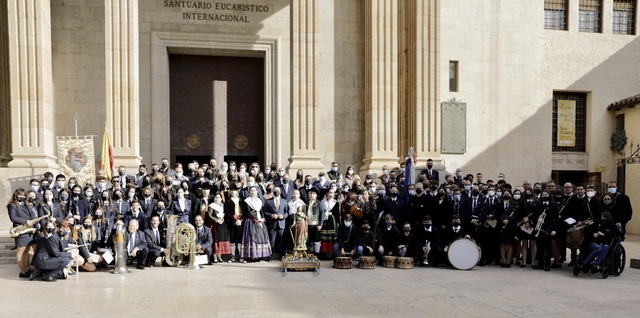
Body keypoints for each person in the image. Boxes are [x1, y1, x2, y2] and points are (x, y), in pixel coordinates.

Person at [7, 188, 38, 278]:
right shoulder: (12, 205)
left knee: (27, 251)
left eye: (23, 195)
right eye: (19, 195)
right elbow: (13, 218)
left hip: (29, 230)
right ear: (15, 196)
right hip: (21, 230)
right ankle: (22, 271)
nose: (21, 197)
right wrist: (26, 221)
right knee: (21, 251)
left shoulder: (26, 204)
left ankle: (28, 268)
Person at [240, 186, 271, 262]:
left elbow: (261, 211)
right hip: (251, 221)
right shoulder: (247, 201)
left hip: (260, 220)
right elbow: (248, 211)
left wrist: (263, 219)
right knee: (252, 236)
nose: (253, 192)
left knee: (262, 236)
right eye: (251, 190)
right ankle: (253, 255)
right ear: (249, 192)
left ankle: (261, 255)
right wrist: (257, 219)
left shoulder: (259, 201)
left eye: (254, 190)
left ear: (257, 192)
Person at [263, 188, 289, 256]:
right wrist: (271, 215)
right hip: (272, 224)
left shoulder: (284, 201)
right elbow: (265, 212)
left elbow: (287, 212)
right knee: (272, 240)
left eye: (277, 191)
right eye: (274, 191)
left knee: (281, 240)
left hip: (281, 223)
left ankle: (281, 255)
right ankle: (270, 255)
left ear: (280, 192)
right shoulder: (268, 201)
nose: (276, 192)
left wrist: (283, 216)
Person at [208, 193, 231, 263]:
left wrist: (223, 219)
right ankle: (215, 256)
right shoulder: (212, 206)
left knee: (221, 239)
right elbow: (209, 215)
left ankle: (219, 256)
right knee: (215, 240)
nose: (217, 199)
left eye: (218, 198)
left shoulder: (222, 206)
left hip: (222, 224)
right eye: (216, 197)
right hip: (214, 224)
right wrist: (216, 220)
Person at [225, 186, 244, 263]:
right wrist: (234, 220)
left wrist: (240, 220)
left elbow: (244, 212)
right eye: (231, 190)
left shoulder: (241, 201)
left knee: (239, 239)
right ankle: (232, 256)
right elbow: (227, 212)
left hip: (240, 221)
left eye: (235, 190)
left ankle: (241, 256)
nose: (233, 192)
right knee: (232, 239)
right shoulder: (228, 201)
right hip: (232, 222)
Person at [319, 189, 339, 258]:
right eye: (330, 193)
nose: (331, 194)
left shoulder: (336, 203)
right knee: (324, 237)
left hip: (332, 222)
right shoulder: (322, 202)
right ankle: (324, 253)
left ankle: (331, 253)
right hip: (324, 222)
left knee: (331, 237)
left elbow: (337, 214)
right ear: (327, 193)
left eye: (333, 193)